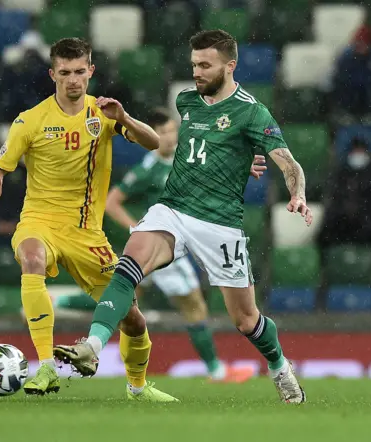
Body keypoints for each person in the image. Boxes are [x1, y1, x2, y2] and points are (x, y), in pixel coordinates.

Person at [55, 30, 312, 404]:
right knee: (128, 265)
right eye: (194, 65)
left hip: (220, 224)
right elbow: (197, 150)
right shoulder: (187, 101)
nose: (197, 72)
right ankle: (92, 346)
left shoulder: (253, 112)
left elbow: (287, 162)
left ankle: (279, 367)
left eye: (205, 65)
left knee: (246, 320)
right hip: (172, 209)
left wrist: (298, 192)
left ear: (230, 65)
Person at [0, 38, 178, 402]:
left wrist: (125, 118)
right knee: (32, 259)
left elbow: (153, 143)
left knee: (133, 318)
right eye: (65, 73)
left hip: (88, 233)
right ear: (53, 74)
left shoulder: (103, 113)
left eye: (80, 72)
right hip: (40, 220)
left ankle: (137, 388)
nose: (73, 80)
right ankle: (45, 367)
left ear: (91, 72)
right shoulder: (30, 121)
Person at [106, 108, 261, 383]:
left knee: (124, 297)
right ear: (151, 136)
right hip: (164, 243)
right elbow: (111, 201)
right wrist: (136, 228)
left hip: (179, 241)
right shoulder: (148, 169)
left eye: (171, 130)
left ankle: (62, 302)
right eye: (162, 133)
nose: (168, 137)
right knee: (194, 307)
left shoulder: (185, 154)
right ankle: (216, 371)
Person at [318, 137, 371, 249]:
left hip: (368, 216)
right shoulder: (342, 172)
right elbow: (335, 193)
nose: (358, 155)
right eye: (355, 151)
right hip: (342, 218)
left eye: (361, 151)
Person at [331, 24, 371, 124]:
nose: (361, 46)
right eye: (358, 43)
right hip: (352, 93)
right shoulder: (347, 58)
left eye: (364, 43)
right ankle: (348, 114)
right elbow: (338, 78)